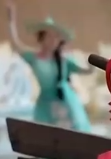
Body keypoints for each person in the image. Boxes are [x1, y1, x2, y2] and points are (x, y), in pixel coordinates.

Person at [5, 2, 91, 132]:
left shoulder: (63, 60)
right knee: (45, 134)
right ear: (42, 38)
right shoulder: (34, 58)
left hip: (66, 101)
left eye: (55, 37)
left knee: (73, 133)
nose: (52, 40)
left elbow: (84, 70)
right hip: (45, 104)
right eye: (49, 36)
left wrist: (92, 66)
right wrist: (11, 21)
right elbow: (16, 44)